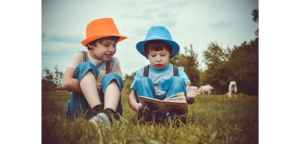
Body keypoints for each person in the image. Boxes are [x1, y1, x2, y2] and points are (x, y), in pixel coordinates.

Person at [128, 26, 200, 124]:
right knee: (143, 81)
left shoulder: (178, 71)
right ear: (147, 55)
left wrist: (190, 97)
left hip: (172, 111)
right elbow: (132, 95)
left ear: (170, 53)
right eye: (153, 55)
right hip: (150, 110)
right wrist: (134, 105)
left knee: (177, 80)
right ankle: (147, 116)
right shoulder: (141, 72)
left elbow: (189, 98)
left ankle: (174, 118)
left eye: (163, 55)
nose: (158, 59)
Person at [62, 18, 127, 127]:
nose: (112, 49)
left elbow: (118, 86)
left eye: (114, 45)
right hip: (80, 110)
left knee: (112, 77)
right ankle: (98, 111)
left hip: (107, 105)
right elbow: (66, 82)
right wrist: (92, 88)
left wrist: (102, 88)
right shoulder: (81, 56)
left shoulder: (113, 61)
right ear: (91, 44)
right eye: (107, 45)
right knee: (85, 67)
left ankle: (108, 114)